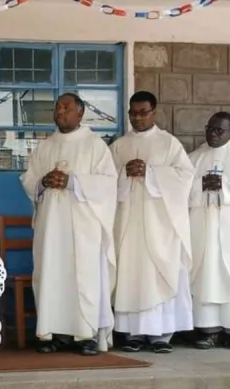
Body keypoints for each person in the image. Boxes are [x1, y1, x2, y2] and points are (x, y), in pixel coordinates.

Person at [20, 93, 117, 356]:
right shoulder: (45, 146)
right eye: (57, 107)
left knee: (82, 278)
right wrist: (43, 182)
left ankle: (84, 334)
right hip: (50, 226)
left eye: (66, 107)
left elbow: (109, 183)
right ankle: (51, 333)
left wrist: (73, 182)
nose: (60, 112)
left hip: (83, 227)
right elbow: (28, 180)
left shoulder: (95, 145)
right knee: (51, 275)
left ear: (80, 113)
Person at [110, 91, 194, 354]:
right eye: (133, 113)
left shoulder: (169, 144)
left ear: (154, 112)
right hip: (128, 223)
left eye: (143, 112)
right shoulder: (119, 146)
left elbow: (186, 177)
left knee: (158, 273)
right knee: (132, 273)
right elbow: (105, 182)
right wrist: (124, 174)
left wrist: (152, 173)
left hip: (160, 224)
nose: (137, 117)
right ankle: (134, 333)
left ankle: (161, 336)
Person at [188, 111, 230, 349]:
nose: (212, 134)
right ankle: (207, 329)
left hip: (227, 225)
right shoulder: (194, 157)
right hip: (202, 226)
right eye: (209, 128)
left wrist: (222, 187)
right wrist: (201, 185)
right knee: (205, 275)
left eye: (219, 130)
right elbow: (179, 190)